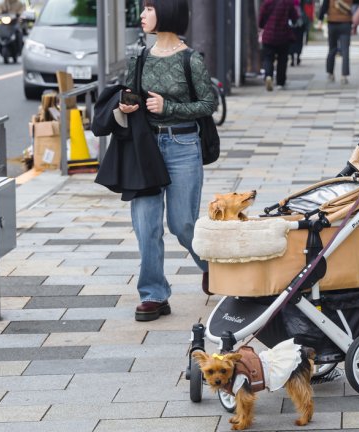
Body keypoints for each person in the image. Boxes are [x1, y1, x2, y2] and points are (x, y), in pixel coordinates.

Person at [120, 0, 216, 322]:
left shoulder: (191, 59)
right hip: (145, 147)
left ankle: (213, 268)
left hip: (183, 144)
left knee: (181, 223)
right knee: (146, 225)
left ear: (167, 12)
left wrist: (169, 108)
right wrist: (127, 106)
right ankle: (154, 294)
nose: (142, 15)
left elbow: (207, 104)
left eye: (149, 8)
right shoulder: (139, 56)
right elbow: (125, 93)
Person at [259, 0, 299, 91]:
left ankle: (268, 76)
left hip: (269, 35)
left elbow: (261, 19)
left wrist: (262, 26)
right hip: (283, 35)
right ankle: (280, 82)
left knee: (268, 58)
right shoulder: (288, 3)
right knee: (282, 60)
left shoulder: (267, 2)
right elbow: (295, 17)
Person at [319, 0, 353, 84]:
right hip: (346, 23)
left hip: (332, 23)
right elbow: (357, 4)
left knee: (332, 49)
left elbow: (324, 6)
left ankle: (330, 73)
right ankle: (344, 76)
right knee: (345, 51)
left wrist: (320, 20)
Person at [289, 0, 309, 67]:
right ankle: (296, 57)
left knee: (292, 42)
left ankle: (293, 58)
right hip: (299, 24)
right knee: (298, 42)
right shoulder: (300, 4)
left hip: (292, 25)